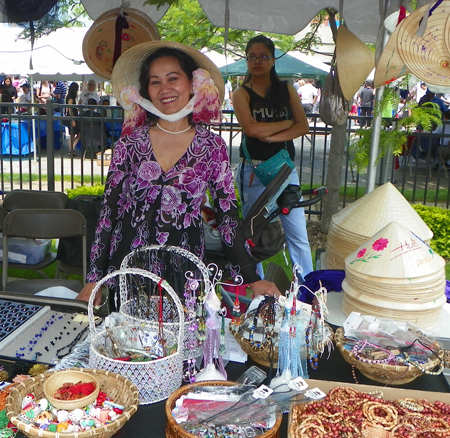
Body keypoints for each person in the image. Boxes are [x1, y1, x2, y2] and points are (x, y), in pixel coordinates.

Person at [75, 40, 280, 306]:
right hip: (127, 271)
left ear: (193, 83)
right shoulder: (130, 144)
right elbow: (108, 212)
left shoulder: (211, 146)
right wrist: (94, 278)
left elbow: (227, 215)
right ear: (146, 90)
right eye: (155, 81)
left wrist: (253, 278)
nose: (165, 89)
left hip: (183, 274)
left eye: (173, 78)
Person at [232, 34, 312, 283]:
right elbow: (250, 129)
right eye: (252, 57)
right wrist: (285, 124)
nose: (258, 61)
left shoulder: (286, 88)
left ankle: (307, 291)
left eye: (263, 56)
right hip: (254, 172)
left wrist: (271, 136)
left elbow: (302, 126)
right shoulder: (240, 93)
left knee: (297, 232)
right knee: (253, 234)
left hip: (285, 171)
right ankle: (256, 287)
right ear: (246, 60)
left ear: (273, 59)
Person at [65, 82, 80, 157]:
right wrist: (72, 119)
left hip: (73, 116)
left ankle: (71, 150)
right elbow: (69, 108)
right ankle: (71, 150)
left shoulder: (71, 96)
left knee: (73, 134)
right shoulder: (70, 97)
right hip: (72, 117)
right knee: (73, 134)